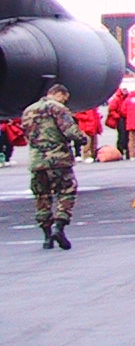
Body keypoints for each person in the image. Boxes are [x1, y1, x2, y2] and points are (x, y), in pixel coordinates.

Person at [20, 84, 88, 249]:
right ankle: (59, 225)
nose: (65, 102)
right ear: (59, 94)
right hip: (58, 160)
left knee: (42, 197)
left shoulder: (29, 110)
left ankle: (46, 237)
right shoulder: (58, 108)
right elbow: (70, 131)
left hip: (37, 161)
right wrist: (83, 139)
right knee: (67, 191)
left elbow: (26, 134)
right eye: (65, 98)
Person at [107, 88, 128, 159]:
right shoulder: (116, 99)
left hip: (127, 118)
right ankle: (120, 151)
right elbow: (111, 110)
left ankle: (127, 151)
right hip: (121, 119)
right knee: (121, 136)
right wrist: (118, 117)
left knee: (127, 136)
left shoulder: (127, 98)